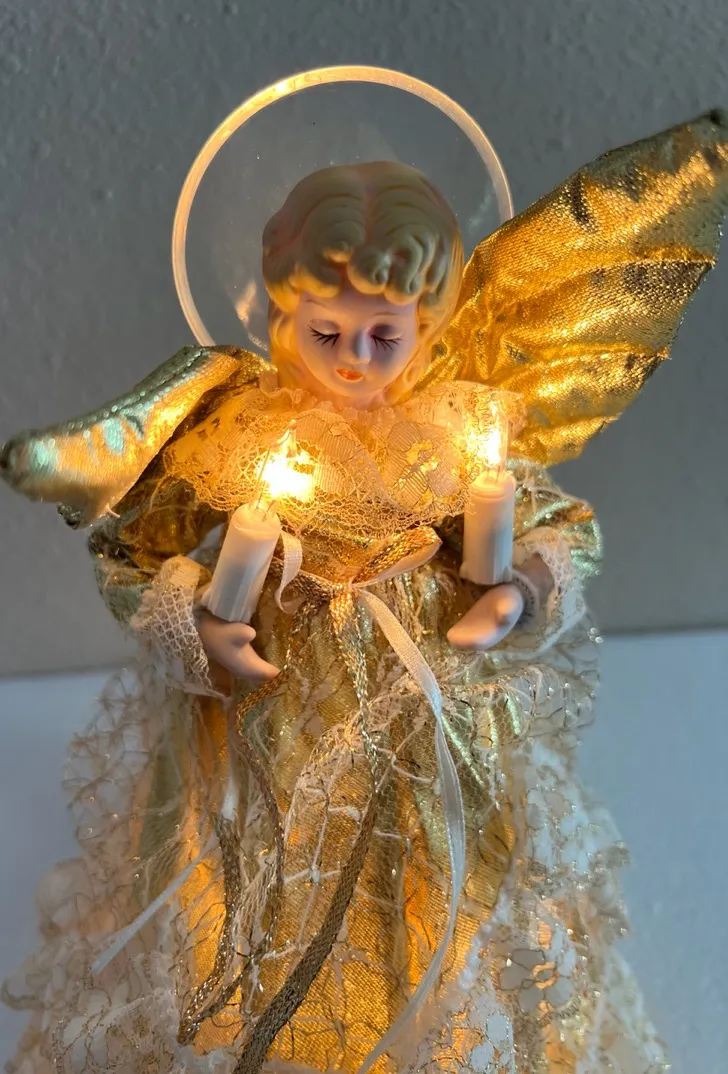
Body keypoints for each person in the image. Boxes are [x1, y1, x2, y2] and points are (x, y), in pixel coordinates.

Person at [3, 113, 727, 1074]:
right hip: (281, 697)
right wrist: (201, 623)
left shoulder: (457, 426)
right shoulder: (241, 432)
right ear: (284, 313)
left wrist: (517, 590)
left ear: (426, 326)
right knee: (273, 848)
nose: (355, 358)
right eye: (328, 331)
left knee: (429, 844)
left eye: (385, 335)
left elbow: (561, 529)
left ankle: (428, 992)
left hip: (423, 694)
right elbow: (132, 555)